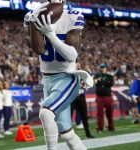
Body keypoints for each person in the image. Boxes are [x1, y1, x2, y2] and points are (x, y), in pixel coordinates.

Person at [24, 0, 93, 149]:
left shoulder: (73, 17)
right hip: (47, 79)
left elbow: (71, 55)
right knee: (67, 133)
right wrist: (34, 24)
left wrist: (50, 34)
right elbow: (39, 50)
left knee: (46, 113)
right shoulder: (31, 16)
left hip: (67, 77)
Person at [71, 62, 94, 139]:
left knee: (84, 116)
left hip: (81, 96)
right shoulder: (70, 74)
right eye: (77, 65)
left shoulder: (83, 74)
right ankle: (66, 134)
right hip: (72, 96)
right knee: (68, 116)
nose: (78, 66)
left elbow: (88, 84)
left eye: (79, 65)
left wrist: (84, 85)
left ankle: (88, 133)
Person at [94, 63, 114, 133]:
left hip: (108, 97)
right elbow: (95, 83)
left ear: (106, 68)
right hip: (100, 97)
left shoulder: (110, 76)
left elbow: (111, 84)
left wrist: (101, 81)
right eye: (101, 68)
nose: (102, 69)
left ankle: (111, 127)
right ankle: (100, 128)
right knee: (100, 113)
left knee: (110, 113)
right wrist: (104, 82)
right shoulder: (96, 75)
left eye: (104, 68)